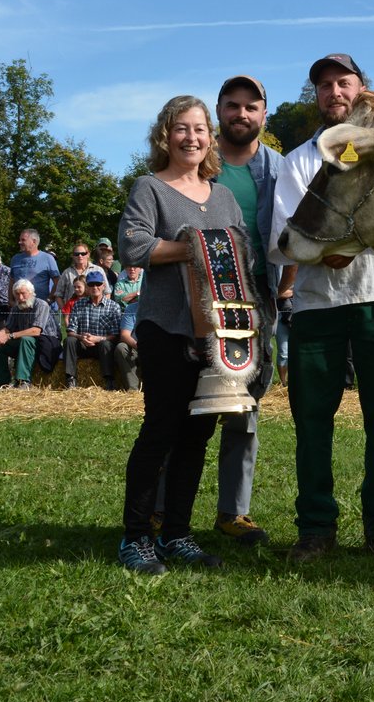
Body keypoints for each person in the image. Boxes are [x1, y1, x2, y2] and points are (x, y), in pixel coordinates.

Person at [268, 53, 374, 562]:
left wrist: (344, 242)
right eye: (324, 85)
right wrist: (333, 245)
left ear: (361, 88)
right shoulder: (299, 161)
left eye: (343, 82)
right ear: (316, 96)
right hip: (317, 303)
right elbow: (284, 236)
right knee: (312, 419)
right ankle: (315, 527)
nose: (334, 92)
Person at [117, 94, 245, 574]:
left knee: (196, 435)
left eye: (199, 129)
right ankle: (136, 538)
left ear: (211, 137)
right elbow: (133, 247)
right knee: (160, 431)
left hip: (216, 336)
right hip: (165, 328)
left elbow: (241, 253)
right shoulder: (150, 188)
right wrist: (196, 246)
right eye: (181, 128)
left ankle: (176, 534)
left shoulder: (224, 196)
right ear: (165, 136)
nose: (191, 138)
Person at [190, 74, 295, 547]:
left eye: (251, 107)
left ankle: (234, 511)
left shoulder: (280, 168)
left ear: (264, 115)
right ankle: (163, 510)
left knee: (243, 408)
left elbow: (293, 231)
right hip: (199, 301)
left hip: (257, 303)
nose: (241, 114)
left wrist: (284, 291)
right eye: (232, 105)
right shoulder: (196, 162)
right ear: (219, 111)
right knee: (187, 405)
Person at [0, 279, 60, 389]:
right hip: (24, 341)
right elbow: (8, 328)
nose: (20, 298)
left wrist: (9, 336)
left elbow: (36, 331)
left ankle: (23, 381)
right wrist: (0, 335)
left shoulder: (41, 305)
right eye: (17, 294)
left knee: (26, 339)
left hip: (46, 342)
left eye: (23, 293)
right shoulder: (16, 308)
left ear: (31, 293)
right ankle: (0, 382)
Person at [64, 267, 122, 389]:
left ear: (103, 286)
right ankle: (70, 378)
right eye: (91, 285)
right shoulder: (78, 304)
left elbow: (115, 335)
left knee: (106, 344)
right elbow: (70, 331)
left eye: (98, 284)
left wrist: (98, 338)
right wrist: (81, 337)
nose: (95, 287)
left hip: (102, 345)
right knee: (69, 341)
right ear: (87, 287)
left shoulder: (113, 306)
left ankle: (109, 380)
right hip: (83, 344)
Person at [10, 228, 60, 302]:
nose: (19, 242)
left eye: (23, 240)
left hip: (39, 305)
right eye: (20, 240)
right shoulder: (15, 259)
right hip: (19, 305)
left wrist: (49, 299)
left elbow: (58, 282)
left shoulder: (47, 258)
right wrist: (10, 300)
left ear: (34, 241)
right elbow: (11, 281)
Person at [55, 242, 96, 309]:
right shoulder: (67, 273)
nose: (80, 256)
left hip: (93, 312)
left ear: (88, 254)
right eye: (76, 254)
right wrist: (65, 311)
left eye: (83, 254)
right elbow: (58, 295)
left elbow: (106, 292)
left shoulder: (97, 270)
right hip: (71, 311)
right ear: (73, 256)